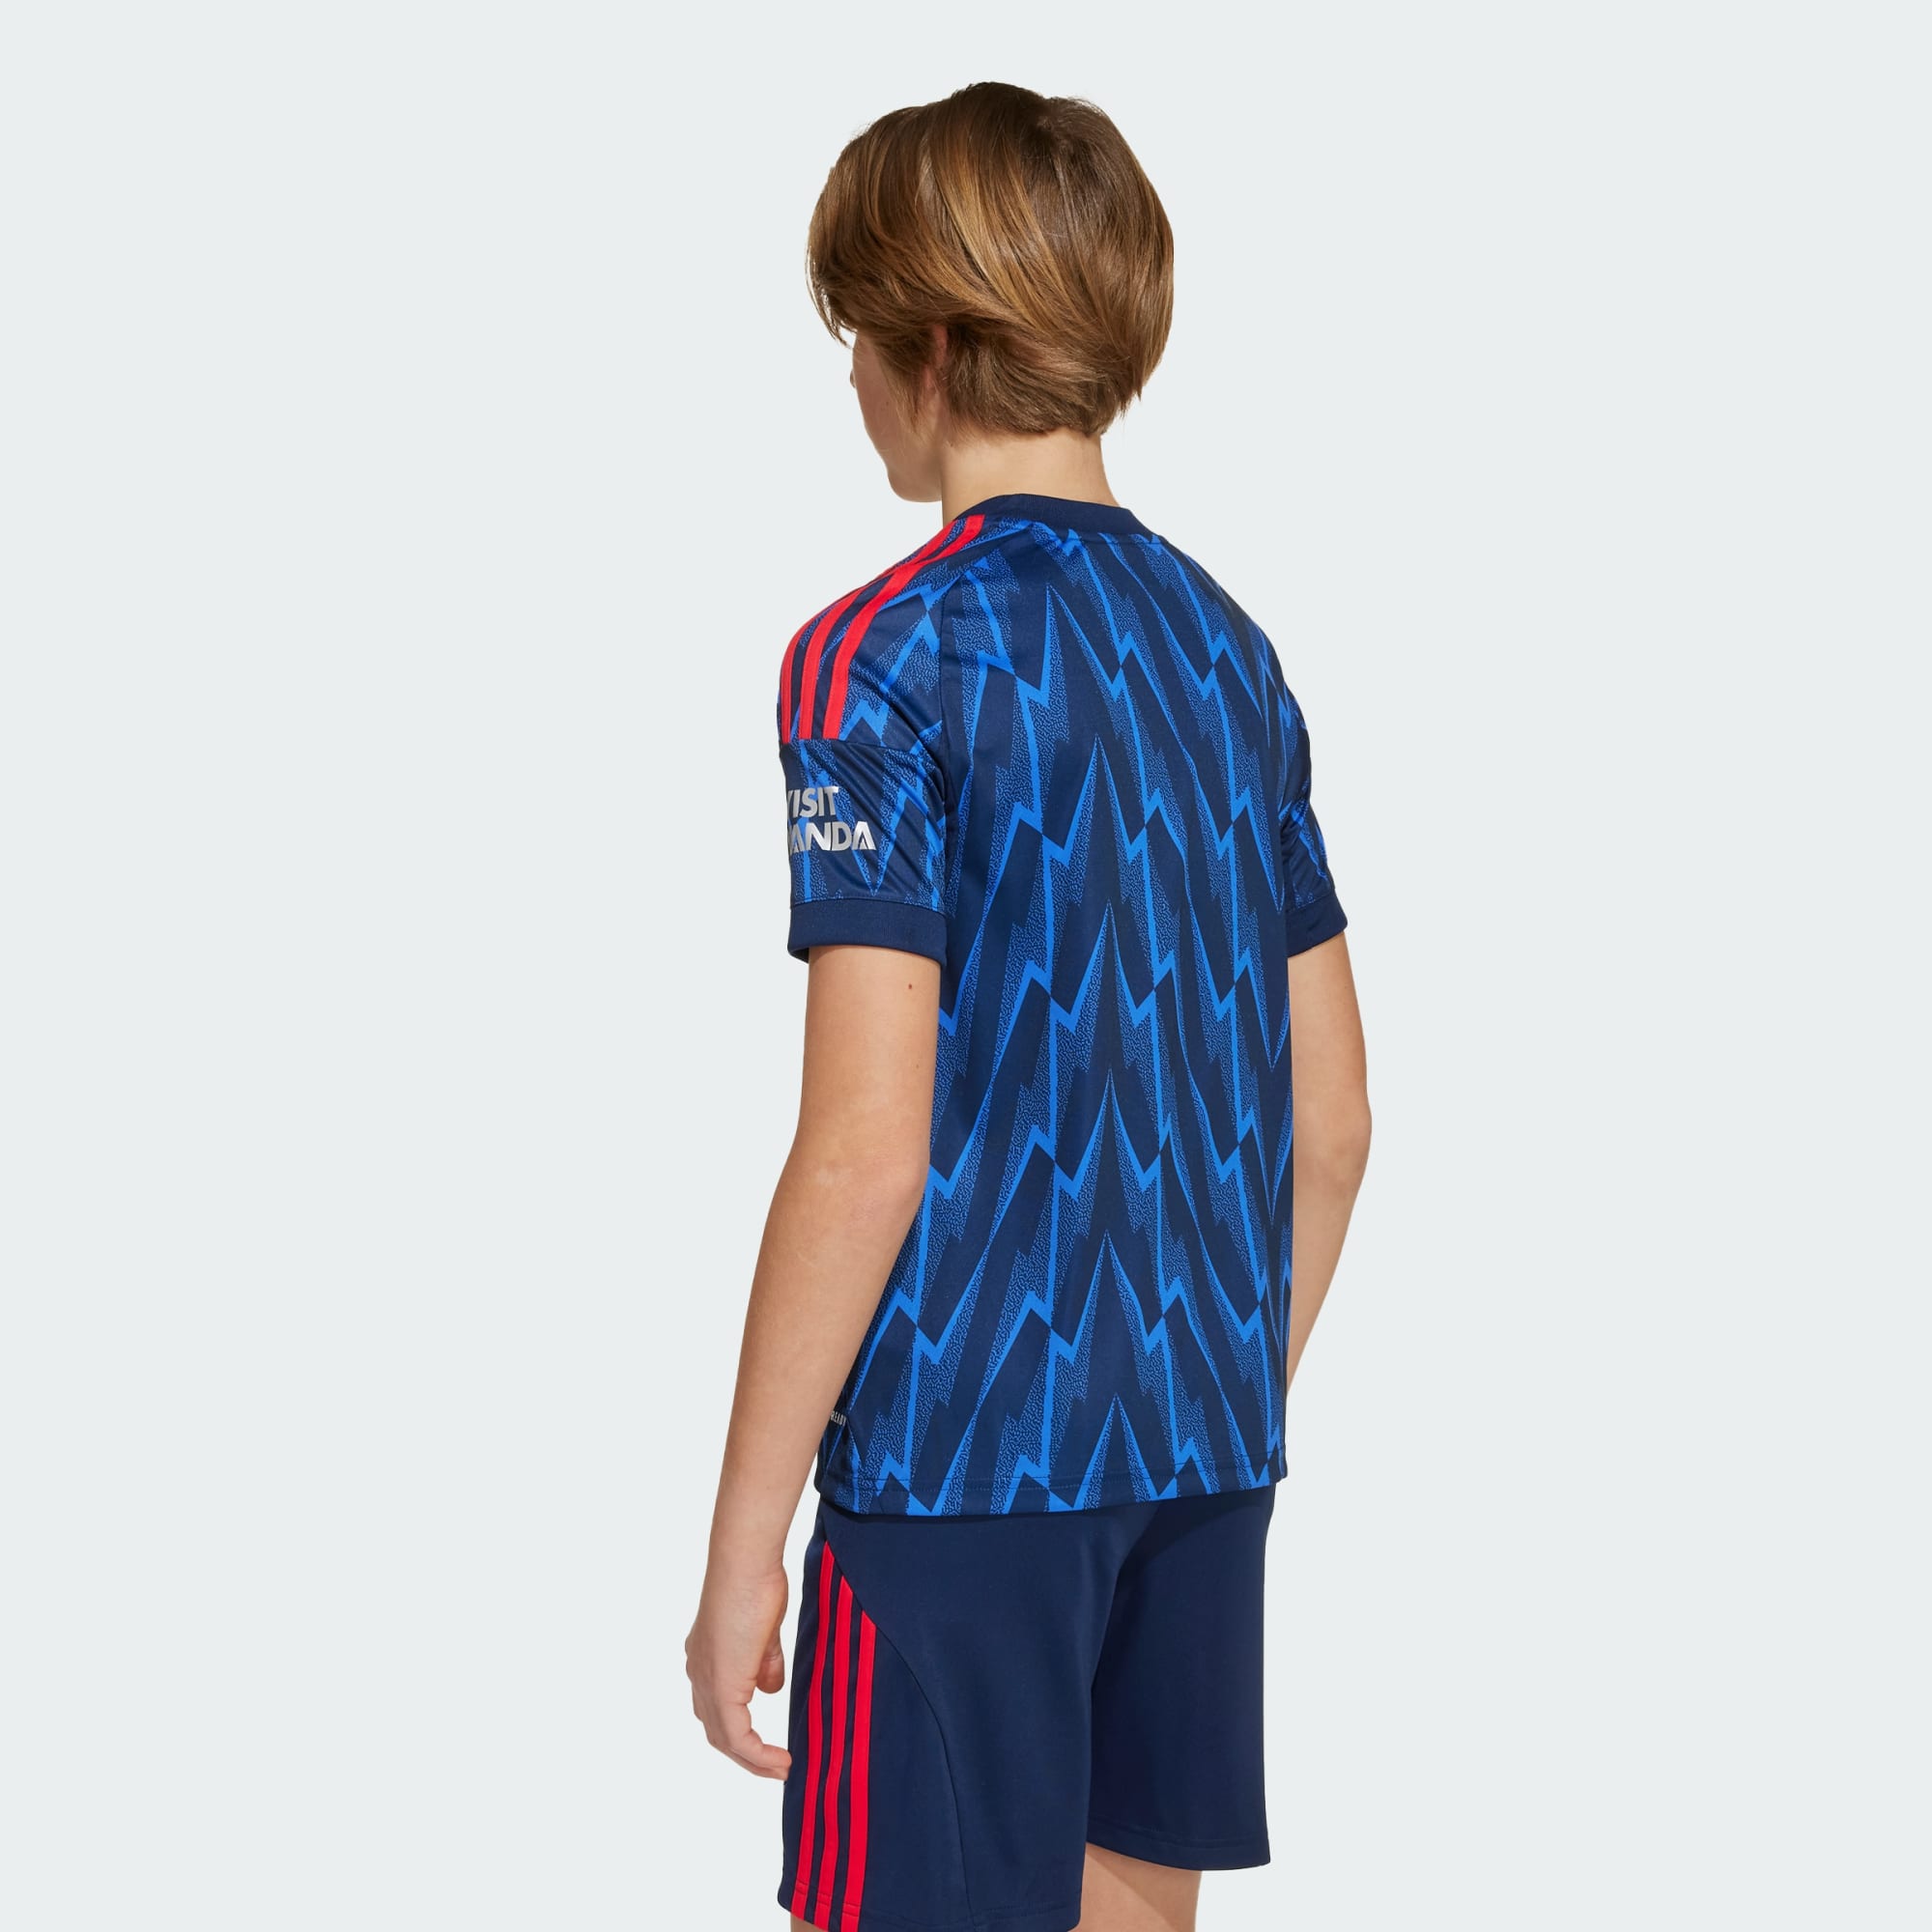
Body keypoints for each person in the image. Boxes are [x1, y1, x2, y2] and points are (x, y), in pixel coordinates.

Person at [686, 82, 1372, 1932]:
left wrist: (747, 1541)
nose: (849, 380)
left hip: (957, 1475)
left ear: (925, 348)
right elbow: (1332, 1127)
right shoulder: (1231, 658)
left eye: (853, 337)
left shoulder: (880, 656)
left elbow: (863, 1149)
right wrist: (1204, 1399)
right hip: (1202, 1450)